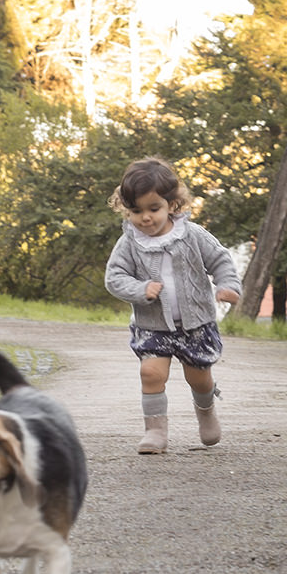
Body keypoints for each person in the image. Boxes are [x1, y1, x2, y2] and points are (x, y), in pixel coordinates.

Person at [104, 157, 242, 454]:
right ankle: (155, 431)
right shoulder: (129, 243)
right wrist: (141, 289)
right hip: (152, 325)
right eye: (136, 211)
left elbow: (220, 260)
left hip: (196, 324)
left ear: (172, 204)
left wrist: (228, 286)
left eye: (154, 209)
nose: (146, 218)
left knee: (199, 376)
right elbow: (114, 277)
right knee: (151, 373)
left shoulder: (192, 235)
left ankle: (206, 413)